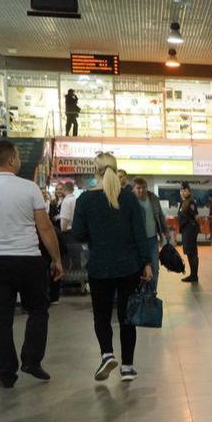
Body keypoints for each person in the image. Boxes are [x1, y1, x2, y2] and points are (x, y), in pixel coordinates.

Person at [68, 152, 153, 383]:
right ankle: (127, 367)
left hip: (99, 267)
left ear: (94, 171)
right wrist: (146, 262)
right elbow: (140, 234)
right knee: (127, 316)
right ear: (116, 170)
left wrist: (96, 234)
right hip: (129, 267)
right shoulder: (128, 199)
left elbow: (77, 234)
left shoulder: (85, 200)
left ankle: (107, 354)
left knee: (102, 315)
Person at [0, 140, 62, 387]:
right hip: (27, 259)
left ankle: (6, 373)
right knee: (38, 309)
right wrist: (56, 258)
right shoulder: (28, 188)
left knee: (0, 319)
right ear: (11, 160)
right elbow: (44, 227)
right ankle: (31, 360)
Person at [131, 178, 168, 293]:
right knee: (138, 268)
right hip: (135, 242)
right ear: (133, 188)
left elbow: (160, 215)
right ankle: (138, 293)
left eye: (143, 188)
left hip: (152, 240)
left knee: (154, 268)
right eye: (138, 188)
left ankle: (152, 293)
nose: (141, 191)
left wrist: (165, 230)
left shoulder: (153, 198)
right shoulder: (130, 200)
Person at [177, 183, 200, 283]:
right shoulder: (184, 202)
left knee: (192, 253)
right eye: (181, 190)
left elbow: (196, 217)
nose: (183, 192)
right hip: (186, 229)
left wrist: (194, 229)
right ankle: (192, 275)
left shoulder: (190, 202)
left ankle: (194, 276)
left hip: (190, 229)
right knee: (189, 253)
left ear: (189, 192)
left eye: (185, 190)